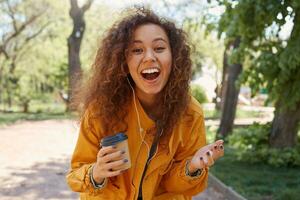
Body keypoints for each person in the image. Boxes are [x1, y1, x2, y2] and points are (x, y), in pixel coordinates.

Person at [66, 7, 224, 200]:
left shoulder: (190, 113)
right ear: (124, 61)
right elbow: (75, 177)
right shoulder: (101, 109)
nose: (149, 57)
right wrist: (97, 172)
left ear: (174, 57)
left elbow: (177, 187)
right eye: (137, 50)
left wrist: (192, 167)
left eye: (159, 48)